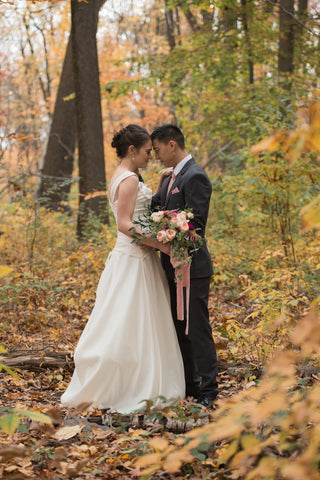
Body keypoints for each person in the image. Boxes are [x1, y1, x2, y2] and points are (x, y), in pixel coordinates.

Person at [61, 124, 185, 413]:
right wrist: (160, 243)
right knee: (132, 320)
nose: (150, 157)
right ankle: (132, 384)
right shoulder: (128, 180)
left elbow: (138, 210)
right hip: (135, 259)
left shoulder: (124, 176)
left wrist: (160, 182)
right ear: (132, 150)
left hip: (131, 257)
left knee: (136, 320)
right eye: (145, 152)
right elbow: (124, 223)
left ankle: (135, 377)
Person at [151, 124, 218, 408]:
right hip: (171, 265)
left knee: (197, 327)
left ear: (172, 145)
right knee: (179, 327)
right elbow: (154, 210)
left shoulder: (196, 176)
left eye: (157, 150)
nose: (156, 156)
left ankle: (209, 389)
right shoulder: (170, 177)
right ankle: (190, 385)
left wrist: (167, 225)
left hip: (193, 266)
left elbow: (196, 225)